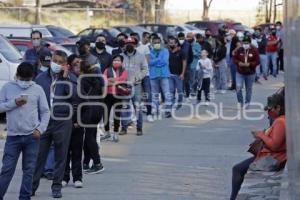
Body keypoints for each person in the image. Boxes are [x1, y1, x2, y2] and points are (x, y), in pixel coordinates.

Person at [0, 62, 50, 200]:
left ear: (32, 77)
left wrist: (40, 129)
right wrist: (14, 103)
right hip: (13, 136)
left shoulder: (37, 89)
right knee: (7, 170)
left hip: (32, 137)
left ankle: (25, 197)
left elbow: (46, 112)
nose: (24, 82)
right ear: (17, 76)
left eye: (27, 80)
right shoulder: (7, 87)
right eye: (22, 79)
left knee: (29, 171)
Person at [32, 50, 76, 198]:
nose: (56, 64)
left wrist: (66, 79)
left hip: (62, 121)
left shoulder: (71, 78)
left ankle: (56, 187)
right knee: (39, 156)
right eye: (54, 61)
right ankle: (32, 186)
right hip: (44, 122)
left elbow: (75, 97)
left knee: (61, 156)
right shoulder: (40, 78)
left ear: (65, 65)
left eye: (60, 62)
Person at [230, 93, 286, 200]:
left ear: (278, 108)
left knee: (237, 169)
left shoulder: (280, 122)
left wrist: (261, 135)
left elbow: (274, 145)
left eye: (270, 109)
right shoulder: (282, 120)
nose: (268, 113)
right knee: (238, 169)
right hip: (275, 155)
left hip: (273, 157)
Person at [62, 54, 85, 188]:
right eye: (76, 63)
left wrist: (79, 121)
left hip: (79, 121)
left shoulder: (85, 79)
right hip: (65, 120)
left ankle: (77, 177)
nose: (79, 66)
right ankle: (65, 176)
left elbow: (87, 103)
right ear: (70, 66)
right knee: (65, 150)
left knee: (77, 150)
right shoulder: (66, 79)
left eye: (80, 63)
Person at [79, 61, 105, 174]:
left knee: (89, 137)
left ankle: (97, 163)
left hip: (89, 109)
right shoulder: (97, 78)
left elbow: (81, 96)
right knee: (91, 136)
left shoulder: (82, 80)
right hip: (98, 108)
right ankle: (86, 162)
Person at [119, 37, 148, 136]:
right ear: (125, 45)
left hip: (136, 85)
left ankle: (139, 128)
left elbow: (145, 69)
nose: (129, 45)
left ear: (135, 44)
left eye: (131, 43)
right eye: (127, 43)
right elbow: (117, 69)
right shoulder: (121, 56)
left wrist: (137, 78)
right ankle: (124, 127)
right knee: (124, 107)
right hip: (124, 86)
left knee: (138, 107)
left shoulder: (141, 56)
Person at [103, 54, 128, 142]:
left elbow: (123, 79)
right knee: (105, 114)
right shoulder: (107, 70)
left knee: (116, 115)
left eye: (118, 60)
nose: (116, 62)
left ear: (121, 62)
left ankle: (115, 133)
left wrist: (111, 80)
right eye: (114, 60)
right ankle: (107, 133)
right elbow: (105, 81)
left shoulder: (124, 70)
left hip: (118, 95)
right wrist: (116, 81)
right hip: (107, 95)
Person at [233, 36, 260, 109]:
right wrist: (238, 63)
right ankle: (240, 102)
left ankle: (247, 103)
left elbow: (257, 61)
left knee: (248, 89)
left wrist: (250, 64)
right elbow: (234, 58)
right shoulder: (239, 50)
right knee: (238, 87)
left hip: (250, 73)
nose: (245, 44)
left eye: (247, 43)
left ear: (250, 43)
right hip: (240, 72)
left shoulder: (254, 50)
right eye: (244, 43)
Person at [149, 36, 172, 118]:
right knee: (154, 93)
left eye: (158, 42)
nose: (157, 44)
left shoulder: (165, 51)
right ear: (152, 43)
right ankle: (155, 109)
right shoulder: (150, 52)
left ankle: (168, 110)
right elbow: (149, 63)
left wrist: (155, 61)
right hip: (153, 75)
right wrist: (159, 59)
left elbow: (165, 61)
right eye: (155, 43)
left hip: (164, 74)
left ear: (161, 43)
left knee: (167, 92)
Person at [168, 36, 186, 110]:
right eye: (169, 43)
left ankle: (179, 103)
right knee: (171, 90)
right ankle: (172, 103)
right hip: (170, 75)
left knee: (179, 90)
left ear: (176, 44)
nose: (170, 44)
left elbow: (184, 63)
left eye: (172, 43)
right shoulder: (168, 52)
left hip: (178, 75)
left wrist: (182, 73)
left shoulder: (181, 52)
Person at [178, 32, 193, 99]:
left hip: (187, 65)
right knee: (180, 80)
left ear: (184, 38)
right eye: (179, 38)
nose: (181, 40)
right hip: (179, 65)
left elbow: (191, 55)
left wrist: (188, 62)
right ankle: (181, 94)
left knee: (187, 80)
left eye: (182, 38)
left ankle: (187, 94)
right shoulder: (177, 44)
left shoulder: (188, 44)